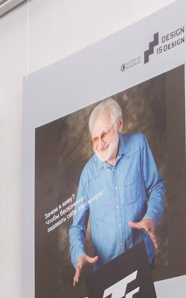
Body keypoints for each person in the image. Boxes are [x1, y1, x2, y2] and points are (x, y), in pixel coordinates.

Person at [68, 97, 166, 286]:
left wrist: (150, 217)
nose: (99, 144)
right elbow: (77, 227)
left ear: (119, 124)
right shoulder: (88, 174)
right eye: (94, 139)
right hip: (108, 273)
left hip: (143, 261)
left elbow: (156, 186)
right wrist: (78, 254)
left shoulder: (139, 145)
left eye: (104, 134)